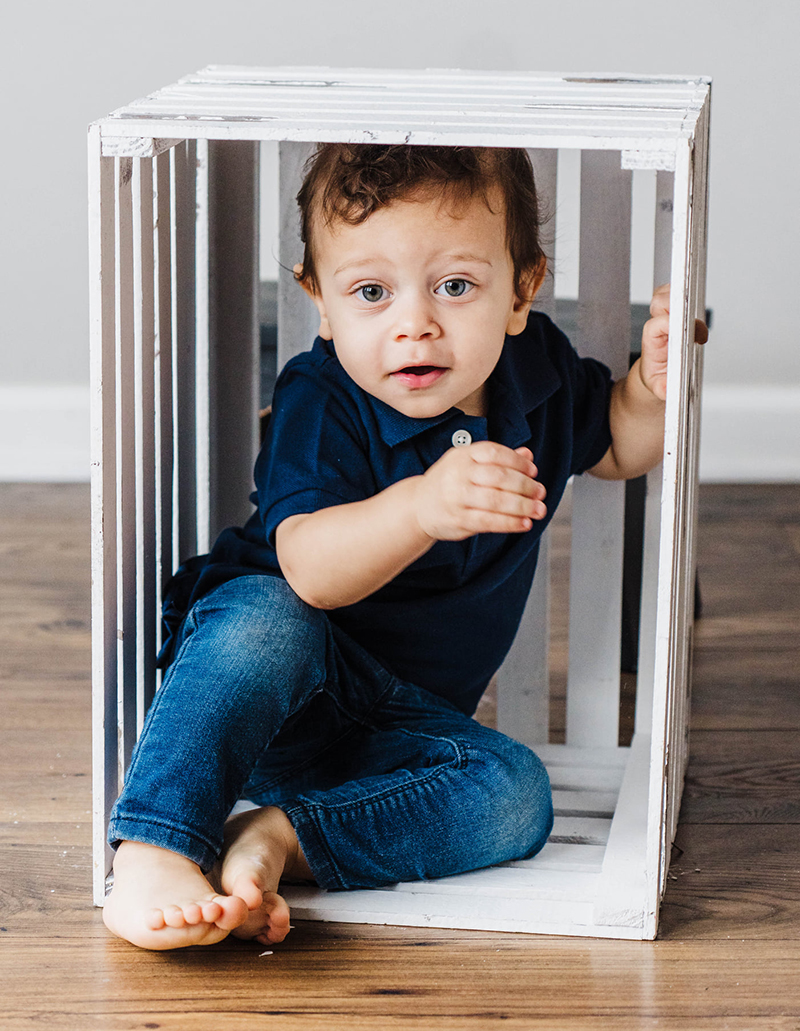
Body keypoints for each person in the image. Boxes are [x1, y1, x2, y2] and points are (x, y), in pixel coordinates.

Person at [102, 143, 694, 951]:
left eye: (455, 286)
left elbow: (620, 444)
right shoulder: (323, 399)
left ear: (522, 290)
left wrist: (653, 388)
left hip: (401, 736)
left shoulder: (537, 374)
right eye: (372, 292)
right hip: (268, 700)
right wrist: (420, 505)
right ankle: (159, 847)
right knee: (262, 613)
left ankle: (281, 837)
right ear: (321, 302)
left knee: (515, 793)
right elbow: (310, 571)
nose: (414, 322)